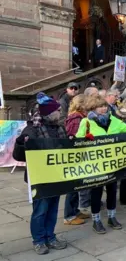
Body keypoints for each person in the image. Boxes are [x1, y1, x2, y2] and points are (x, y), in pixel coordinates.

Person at [76, 96, 126, 234]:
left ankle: (112, 217)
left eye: (105, 106)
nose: (104, 108)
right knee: (96, 192)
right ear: (93, 108)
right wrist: (85, 139)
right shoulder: (86, 122)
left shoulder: (113, 120)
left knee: (112, 190)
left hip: (112, 164)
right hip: (96, 164)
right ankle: (96, 220)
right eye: (100, 106)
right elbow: (77, 140)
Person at [14, 92, 68, 255]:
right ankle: (38, 240)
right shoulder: (32, 129)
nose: (60, 113)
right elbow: (19, 156)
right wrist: (21, 143)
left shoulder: (59, 128)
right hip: (39, 177)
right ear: (50, 113)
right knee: (40, 209)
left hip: (56, 175)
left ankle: (50, 237)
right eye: (58, 111)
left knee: (52, 209)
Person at [63, 94, 89, 225]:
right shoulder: (76, 119)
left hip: (79, 155)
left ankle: (75, 210)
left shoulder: (79, 117)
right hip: (76, 156)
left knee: (77, 185)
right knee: (72, 187)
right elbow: (73, 137)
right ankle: (69, 216)